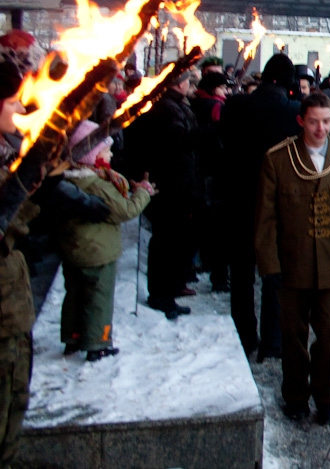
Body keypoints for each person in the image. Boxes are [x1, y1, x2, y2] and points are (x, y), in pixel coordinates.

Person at [255, 93, 330, 426]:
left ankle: (326, 395)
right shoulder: (278, 158)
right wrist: (269, 265)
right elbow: (266, 219)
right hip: (292, 264)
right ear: (301, 121)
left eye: (326, 121)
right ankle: (295, 396)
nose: (320, 128)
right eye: (313, 121)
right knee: (293, 336)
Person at [221, 53, 301, 359]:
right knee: (275, 272)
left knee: (241, 273)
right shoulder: (294, 112)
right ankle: (273, 340)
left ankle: (244, 336)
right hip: (278, 204)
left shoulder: (234, 105)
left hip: (238, 197)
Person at [58, 121, 155, 361]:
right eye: (105, 149)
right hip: (98, 251)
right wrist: (144, 191)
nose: (110, 154)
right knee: (98, 296)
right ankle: (97, 342)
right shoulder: (98, 184)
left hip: (73, 248)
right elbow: (125, 210)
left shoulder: (68, 180)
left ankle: (72, 336)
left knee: (74, 294)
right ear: (91, 155)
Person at [0, 60, 38, 468]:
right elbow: (6, 225)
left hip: (10, 320)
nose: (21, 109)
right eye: (14, 101)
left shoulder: (2, 156)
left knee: (9, 434)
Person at [123, 69, 198, 320]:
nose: (190, 85)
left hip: (176, 182)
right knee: (166, 239)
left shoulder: (172, 105)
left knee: (174, 237)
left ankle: (170, 288)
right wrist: (202, 137)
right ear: (178, 84)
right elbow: (175, 143)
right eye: (187, 80)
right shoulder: (167, 109)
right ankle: (161, 294)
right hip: (169, 184)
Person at [189, 71, 230, 293]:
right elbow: (219, 136)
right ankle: (218, 276)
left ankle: (197, 263)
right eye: (224, 88)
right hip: (213, 171)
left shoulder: (193, 103)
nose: (227, 92)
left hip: (196, 170)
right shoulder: (216, 107)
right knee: (216, 227)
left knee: (199, 222)